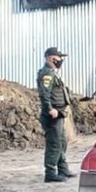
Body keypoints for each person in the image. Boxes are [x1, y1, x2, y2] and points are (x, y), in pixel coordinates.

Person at [37, 47, 74, 183]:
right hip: (53, 114)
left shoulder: (53, 72)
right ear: (52, 58)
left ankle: (62, 168)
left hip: (59, 113)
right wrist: (49, 109)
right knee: (54, 143)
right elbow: (44, 93)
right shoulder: (47, 73)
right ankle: (50, 172)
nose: (61, 61)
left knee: (62, 141)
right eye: (59, 58)